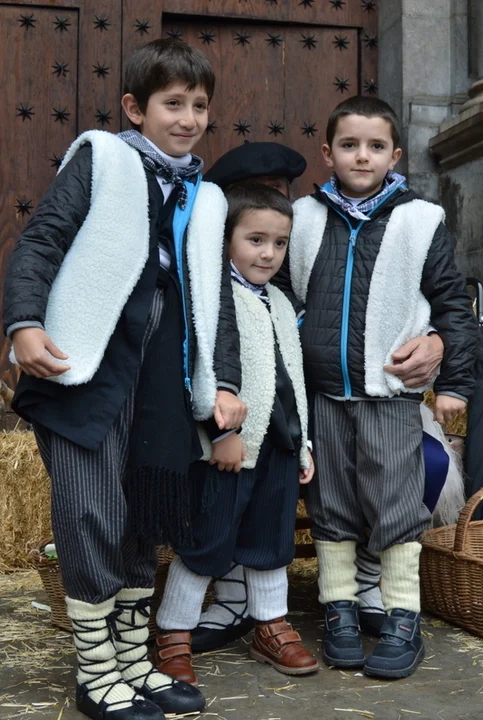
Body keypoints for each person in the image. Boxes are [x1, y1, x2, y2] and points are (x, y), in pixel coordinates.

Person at [2, 39, 247, 720]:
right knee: (93, 512)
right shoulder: (102, 159)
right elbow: (42, 240)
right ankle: (95, 671)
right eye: (173, 104)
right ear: (135, 109)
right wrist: (24, 322)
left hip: (162, 381)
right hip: (89, 369)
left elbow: (217, 301)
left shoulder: (206, 198)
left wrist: (225, 382)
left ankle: (133, 660)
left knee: (144, 515)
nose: (189, 118)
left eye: (200, 105)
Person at [287, 96, 479, 679]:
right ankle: (339, 610)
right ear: (328, 153)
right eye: (349, 145)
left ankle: (402, 617)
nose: (361, 156)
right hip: (324, 396)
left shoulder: (420, 221)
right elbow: (286, 297)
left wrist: (454, 382)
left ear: (395, 156)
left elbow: (452, 304)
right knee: (332, 505)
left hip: (389, 395)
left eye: (375, 146)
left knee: (396, 503)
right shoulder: (304, 218)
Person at [153, 183, 320, 682]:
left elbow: (292, 377)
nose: (268, 253)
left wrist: (303, 444)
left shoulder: (281, 302)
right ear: (226, 239)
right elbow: (202, 370)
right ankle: (174, 633)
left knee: (271, 540)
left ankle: (270, 625)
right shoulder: (213, 297)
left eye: (279, 243)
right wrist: (219, 432)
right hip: (228, 447)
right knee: (207, 540)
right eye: (255, 240)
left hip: (279, 445)